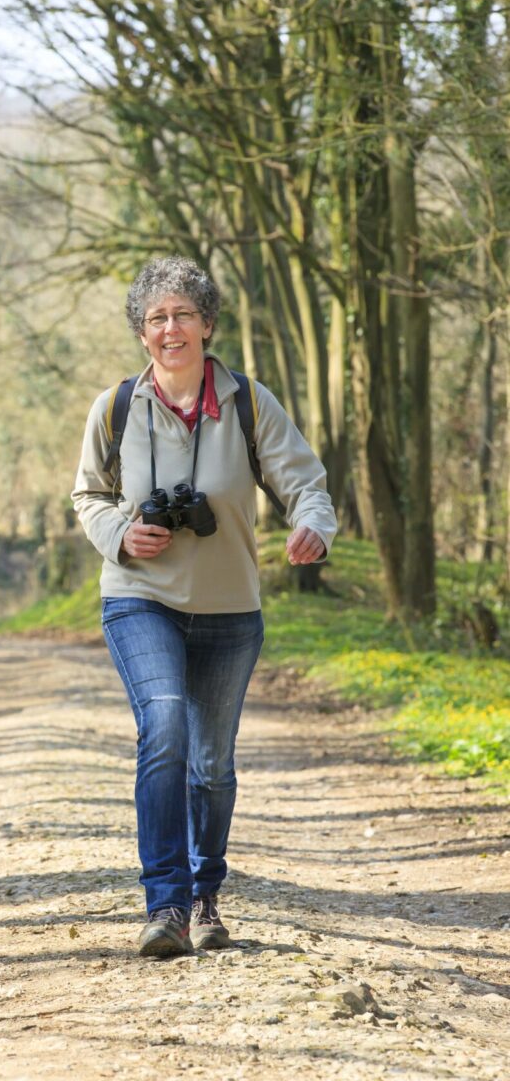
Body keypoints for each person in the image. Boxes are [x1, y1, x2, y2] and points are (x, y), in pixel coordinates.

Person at [71, 256, 337, 959]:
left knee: (212, 765)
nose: (170, 328)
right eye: (156, 318)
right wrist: (121, 534)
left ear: (208, 324)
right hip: (140, 597)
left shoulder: (249, 402)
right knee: (163, 727)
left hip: (227, 609)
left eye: (183, 314)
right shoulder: (116, 407)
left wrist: (314, 525)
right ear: (141, 333)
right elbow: (88, 496)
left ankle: (206, 896)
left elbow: (305, 481)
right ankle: (166, 905)